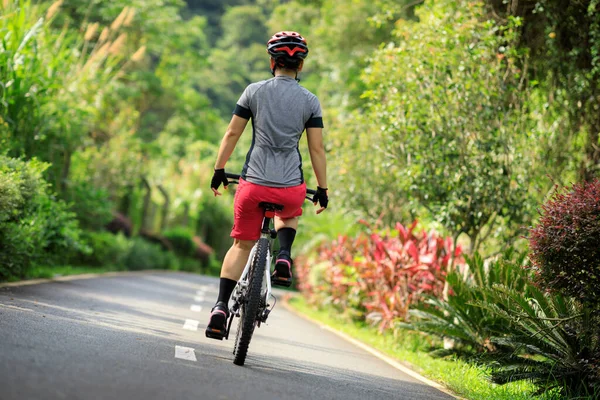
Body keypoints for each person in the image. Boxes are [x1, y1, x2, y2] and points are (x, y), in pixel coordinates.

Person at [205, 31, 328, 339]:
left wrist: (219, 169)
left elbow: (232, 134)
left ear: (272, 62)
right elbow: (316, 150)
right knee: (289, 211)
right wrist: (323, 189)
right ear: (300, 66)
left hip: (252, 185)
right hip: (289, 186)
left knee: (242, 245)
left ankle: (220, 307)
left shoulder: (253, 92)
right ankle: (283, 254)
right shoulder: (310, 101)